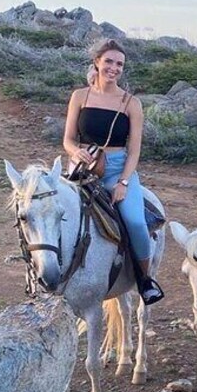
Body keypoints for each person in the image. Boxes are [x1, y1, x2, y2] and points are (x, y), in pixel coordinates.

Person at [63, 38, 163, 304]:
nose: (114, 68)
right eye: (109, 61)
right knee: (57, 212)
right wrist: (75, 152)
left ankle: (144, 281)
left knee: (135, 222)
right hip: (82, 168)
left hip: (118, 168)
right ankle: (52, 272)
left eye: (119, 64)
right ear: (97, 62)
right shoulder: (79, 96)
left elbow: (134, 151)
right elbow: (68, 140)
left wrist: (123, 182)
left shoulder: (131, 103)